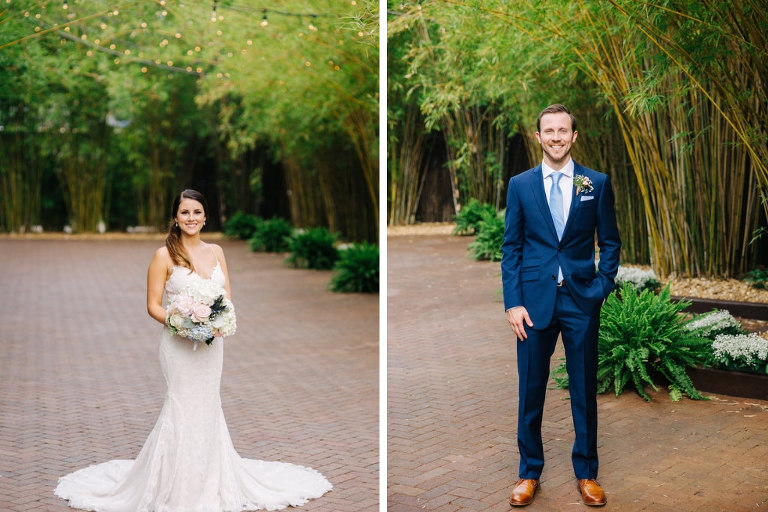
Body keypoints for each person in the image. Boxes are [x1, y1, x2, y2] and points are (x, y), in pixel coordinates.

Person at [55, 189, 332, 511]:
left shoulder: (216, 251)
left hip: (212, 345)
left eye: (197, 212)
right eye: (185, 212)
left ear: (206, 217)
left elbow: (226, 296)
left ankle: (211, 481)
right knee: (181, 408)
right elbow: (152, 306)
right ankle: (175, 488)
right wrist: (182, 325)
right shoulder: (163, 255)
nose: (191, 218)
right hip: (178, 345)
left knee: (207, 407)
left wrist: (217, 321)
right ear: (175, 217)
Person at [501, 105, 621, 507]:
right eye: (548, 131)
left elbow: (611, 241)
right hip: (533, 305)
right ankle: (528, 472)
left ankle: (587, 473)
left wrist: (601, 286)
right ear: (538, 137)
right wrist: (513, 303)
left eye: (563, 130)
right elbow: (512, 248)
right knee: (530, 389)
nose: (556, 137)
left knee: (584, 390)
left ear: (574, 136)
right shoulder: (520, 185)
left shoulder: (595, 183)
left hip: (580, 300)